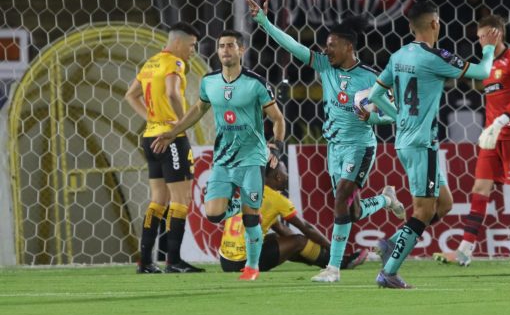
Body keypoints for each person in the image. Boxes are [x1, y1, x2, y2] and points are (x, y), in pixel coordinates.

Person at [247, 0, 405, 284]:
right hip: (334, 148)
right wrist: (264, 23)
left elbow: (394, 115)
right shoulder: (325, 66)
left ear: (348, 47)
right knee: (351, 210)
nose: (326, 49)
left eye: (332, 45)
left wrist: (371, 119)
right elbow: (293, 46)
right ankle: (385, 198)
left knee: (342, 196)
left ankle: (333, 268)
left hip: (360, 146)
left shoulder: (371, 78)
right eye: (325, 45)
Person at [368, 1, 499, 288]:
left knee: (445, 203)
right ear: (435, 24)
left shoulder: (398, 55)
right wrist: (488, 48)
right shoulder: (434, 57)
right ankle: (389, 272)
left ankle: (392, 243)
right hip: (421, 143)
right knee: (424, 211)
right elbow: (482, 73)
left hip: (406, 140)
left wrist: (399, 117)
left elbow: (376, 96)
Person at [151, 30, 286, 281]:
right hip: (223, 158)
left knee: (251, 218)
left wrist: (276, 146)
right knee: (213, 213)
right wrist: (172, 132)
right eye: (221, 46)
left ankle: (252, 267)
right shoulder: (209, 81)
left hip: (252, 158)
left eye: (230, 46)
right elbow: (198, 109)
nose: (225, 50)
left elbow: (277, 119)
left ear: (241, 50)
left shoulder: (256, 83)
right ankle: (235, 204)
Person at [436, 14, 510, 267]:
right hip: (491, 138)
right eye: (477, 38)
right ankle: (465, 250)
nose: (480, 42)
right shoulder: (486, 65)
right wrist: (492, 127)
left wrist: (502, 120)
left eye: (483, 36)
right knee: (479, 189)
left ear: (497, 34)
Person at [124, 22, 204, 274]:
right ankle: (174, 261)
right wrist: (181, 125)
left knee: (158, 199)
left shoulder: (151, 63)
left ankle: (145, 261)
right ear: (178, 43)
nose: (193, 51)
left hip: (150, 136)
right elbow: (172, 93)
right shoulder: (175, 63)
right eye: (191, 45)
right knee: (181, 199)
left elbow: (130, 95)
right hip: (170, 138)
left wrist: (150, 119)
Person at [219, 161, 368, 273]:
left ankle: (328, 261)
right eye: (285, 173)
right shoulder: (277, 200)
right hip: (243, 262)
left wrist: (303, 251)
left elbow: (280, 228)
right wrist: (333, 248)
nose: (287, 176)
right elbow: (306, 228)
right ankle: (340, 260)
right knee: (298, 241)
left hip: (226, 261)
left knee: (279, 241)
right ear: (278, 177)